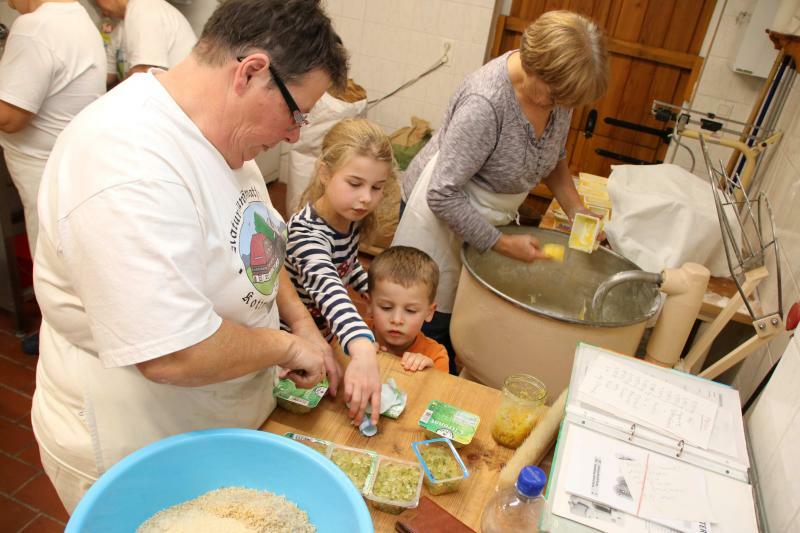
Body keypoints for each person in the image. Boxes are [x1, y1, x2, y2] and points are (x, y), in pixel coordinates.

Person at [31, 0, 350, 512]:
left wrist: (301, 322)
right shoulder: (125, 164)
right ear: (250, 72)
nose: (294, 134)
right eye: (297, 113)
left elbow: (258, 241)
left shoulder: (217, 128)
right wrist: (288, 349)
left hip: (211, 422)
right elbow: (172, 353)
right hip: (140, 439)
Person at [392, 10, 609, 374]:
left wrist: (576, 209)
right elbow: (442, 194)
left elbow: (553, 155)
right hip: (440, 216)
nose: (562, 106)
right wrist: (502, 244)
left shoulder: (557, 96)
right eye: (556, 96)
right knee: (429, 327)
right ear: (535, 67)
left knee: (466, 322)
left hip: (484, 216)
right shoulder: (486, 104)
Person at [0, 0, 106, 355]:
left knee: (50, 259)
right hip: (73, 158)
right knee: (72, 255)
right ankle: (70, 334)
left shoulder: (34, 28)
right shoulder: (77, 14)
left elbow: (11, 117)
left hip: (42, 170)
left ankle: (60, 341)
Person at [285, 118, 400, 424]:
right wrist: (362, 348)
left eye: (377, 187)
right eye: (355, 183)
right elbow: (329, 288)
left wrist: (375, 290)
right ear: (324, 173)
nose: (366, 198)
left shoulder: (348, 219)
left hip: (324, 339)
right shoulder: (306, 235)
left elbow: (345, 269)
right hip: (290, 351)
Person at [365, 246, 449, 373]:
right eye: (386, 307)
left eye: (411, 310)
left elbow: (441, 386)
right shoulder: (348, 333)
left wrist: (429, 374)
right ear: (369, 304)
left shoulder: (435, 356)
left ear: (429, 312)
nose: (397, 320)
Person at [95, 0, 196, 88]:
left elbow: (143, 74)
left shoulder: (143, 8)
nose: (104, 14)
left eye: (97, 3)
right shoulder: (121, 28)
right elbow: (108, 77)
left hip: (180, 97)